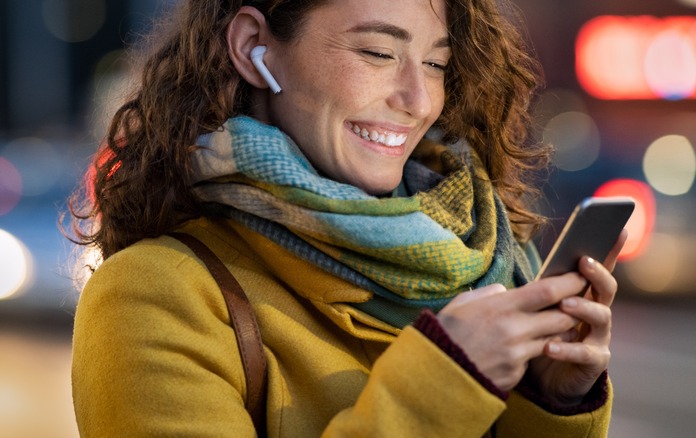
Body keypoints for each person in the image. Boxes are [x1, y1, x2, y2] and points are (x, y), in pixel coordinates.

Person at [68, 0, 626, 436]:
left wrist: (549, 397)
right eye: (379, 53)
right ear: (253, 47)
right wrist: (445, 383)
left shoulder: (492, 256)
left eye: (436, 64)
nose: (417, 99)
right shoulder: (154, 293)